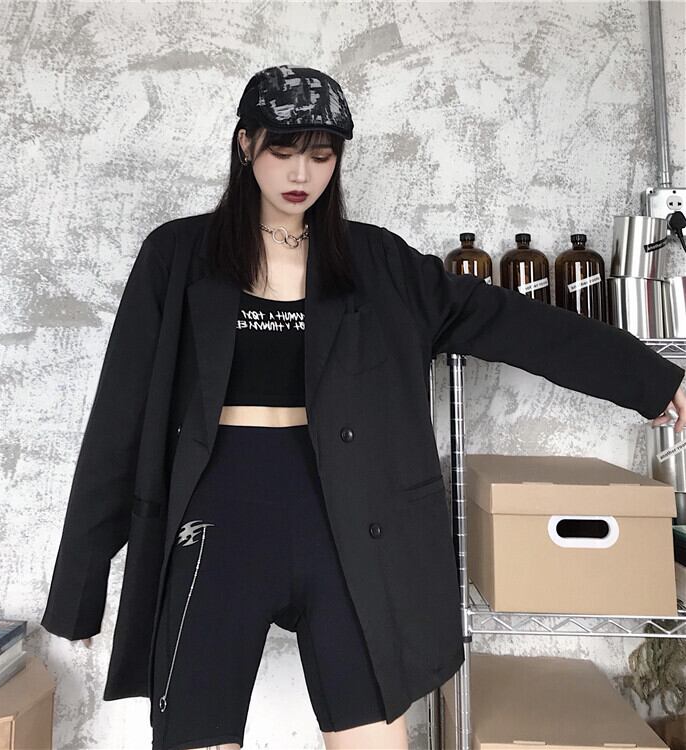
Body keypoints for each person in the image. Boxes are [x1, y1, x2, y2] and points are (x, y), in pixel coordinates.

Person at [47, 65, 686, 750]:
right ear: (245, 144)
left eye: (322, 156)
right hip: (216, 526)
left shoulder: (377, 263)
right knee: (196, 735)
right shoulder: (178, 255)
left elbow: (507, 320)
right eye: (282, 151)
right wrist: (80, 588)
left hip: (350, 528)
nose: (301, 174)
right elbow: (119, 417)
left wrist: (648, 379)